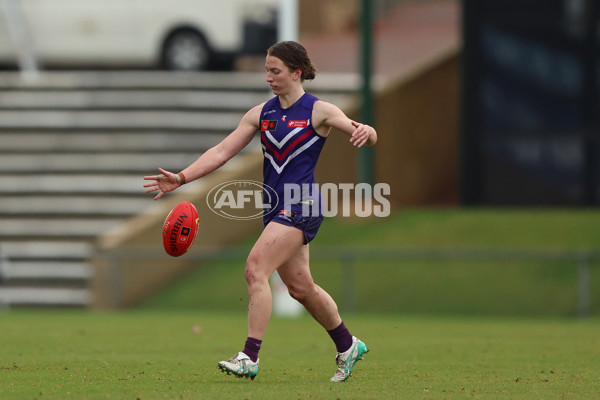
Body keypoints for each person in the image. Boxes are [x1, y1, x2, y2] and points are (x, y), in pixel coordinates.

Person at [143, 40, 377, 382]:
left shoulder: (319, 111)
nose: (268, 77)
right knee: (300, 288)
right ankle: (347, 345)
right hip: (275, 207)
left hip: (302, 203)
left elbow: (361, 133)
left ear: (296, 73)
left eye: (275, 71)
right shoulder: (261, 114)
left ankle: (249, 356)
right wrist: (181, 177)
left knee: (255, 268)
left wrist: (368, 133)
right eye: (267, 70)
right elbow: (222, 151)